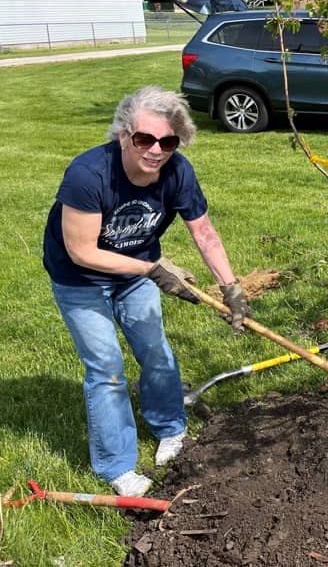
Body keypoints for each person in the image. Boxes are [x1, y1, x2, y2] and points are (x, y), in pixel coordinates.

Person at [42, 86, 252, 498]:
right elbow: (82, 251)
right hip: (80, 279)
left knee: (156, 351)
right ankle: (116, 466)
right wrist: (154, 269)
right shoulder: (89, 175)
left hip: (137, 272)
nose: (156, 150)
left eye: (168, 141)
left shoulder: (177, 172)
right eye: (144, 139)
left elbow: (204, 233)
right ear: (123, 135)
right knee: (107, 369)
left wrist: (231, 288)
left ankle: (170, 429)